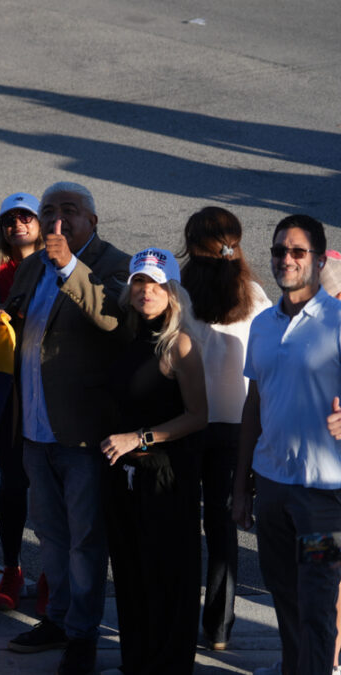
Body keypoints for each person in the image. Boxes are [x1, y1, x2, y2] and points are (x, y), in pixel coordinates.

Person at [3, 182, 130, 675]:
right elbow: (13, 317)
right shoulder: (32, 266)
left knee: (85, 542)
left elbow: (116, 320)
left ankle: (82, 635)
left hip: (82, 435)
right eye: (49, 210)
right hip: (35, 428)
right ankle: (55, 619)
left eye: (70, 211)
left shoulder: (114, 263)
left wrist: (69, 268)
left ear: (92, 221)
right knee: (50, 536)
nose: (58, 219)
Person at [233, 214, 341, 675]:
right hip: (273, 491)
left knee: (316, 603)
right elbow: (253, 405)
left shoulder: (338, 322)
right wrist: (240, 487)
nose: (287, 259)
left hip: (320, 499)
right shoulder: (262, 325)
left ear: (318, 261)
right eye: (279, 251)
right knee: (285, 596)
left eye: (298, 252)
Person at [100, 249, 208, 675]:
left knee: (166, 576)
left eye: (156, 284)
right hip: (123, 476)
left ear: (172, 292)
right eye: (140, 283)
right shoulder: (126, 336)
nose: (146, 291)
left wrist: (139, 438)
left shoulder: (180, 343)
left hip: (165, 479)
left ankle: (166, 667)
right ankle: (137, 664)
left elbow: (199, 415)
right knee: (129, 573)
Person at [177, 207, 271, 651]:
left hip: (184, 421)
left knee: (177, 525)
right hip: (237, 427)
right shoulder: (253, 293)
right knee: (222, 525)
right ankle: (219, 627)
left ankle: (176, 616)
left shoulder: (177, 290)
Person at [0, 192, 46, 613]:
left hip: (49, 394)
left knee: (49, 488)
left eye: (26, 216)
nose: (17, 223)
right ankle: (12, 568)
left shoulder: (57, 269)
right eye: (9, 218)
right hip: (7, 396)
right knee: (12, 484)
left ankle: (50, 573)